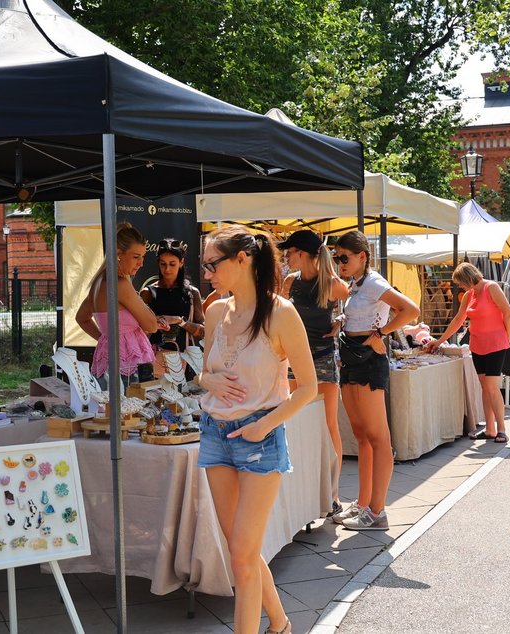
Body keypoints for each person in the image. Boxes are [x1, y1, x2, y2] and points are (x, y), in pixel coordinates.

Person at [197, 226, 317, 634]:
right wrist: (207, 381)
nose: (207, 272)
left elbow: (309, 387)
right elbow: (205, 372)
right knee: (240, 551)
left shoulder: (281, 313)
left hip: (259, 438)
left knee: (242, 557)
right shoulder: (215, 310)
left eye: (212, 264)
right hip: (214, 434)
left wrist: (262, 425)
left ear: (242, 259)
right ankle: (280, 623)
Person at [331, 231, 419, 531]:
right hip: (352, 358)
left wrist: (381, 334)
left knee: (378, 437)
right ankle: (364, 503)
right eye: (336, 257)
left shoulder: (373, 282)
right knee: (362, 435)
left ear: (361, 256)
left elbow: (410, 310)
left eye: (344, 257)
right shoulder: (355, 285)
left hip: (369, 361)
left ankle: (378, 511)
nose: (339, 263)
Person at [278, 229, 349, 517]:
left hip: (321, 358)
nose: (286, 256)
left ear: (303, 253)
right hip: (295, 359)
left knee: (328, 425)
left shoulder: (333, 284)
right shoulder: (289, 282)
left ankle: (332, 493)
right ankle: (301, 488)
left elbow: (356, 307)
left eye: (290, 251)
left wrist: (342, 318)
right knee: (294, 422)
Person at [425, 262, 510, 443]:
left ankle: (502, 429)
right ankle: (490, 429)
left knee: (491, 387)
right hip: (478, 345)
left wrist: (507, 338)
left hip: (496, 344)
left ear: (467, 278)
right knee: (485, 387)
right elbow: (458, 320)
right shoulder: (469, 295)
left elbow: (509, 314)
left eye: (460, 282)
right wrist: (440, 341)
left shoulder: (492, 288)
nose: (459, 286)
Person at [76, 223, 163, 389]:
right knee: (134, 413)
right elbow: (151, 325)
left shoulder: (98, 283)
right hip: (130, 369)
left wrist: (107, 340)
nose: (141, 263)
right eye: (136, 257)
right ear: (118, 254)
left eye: (143, 257)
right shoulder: (120, 284)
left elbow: (81, 318)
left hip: (112, 364)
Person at [141, 238, 206, 368]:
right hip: (155, 360)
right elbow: (140, 331)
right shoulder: (148, 292)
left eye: (172, 264)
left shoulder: (192, 293)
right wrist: (155, 323)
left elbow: (203, 331)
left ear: (181, 262)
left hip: (186, 361)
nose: (167, 269)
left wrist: (179, 321)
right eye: (163, 264)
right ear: (158, 263)